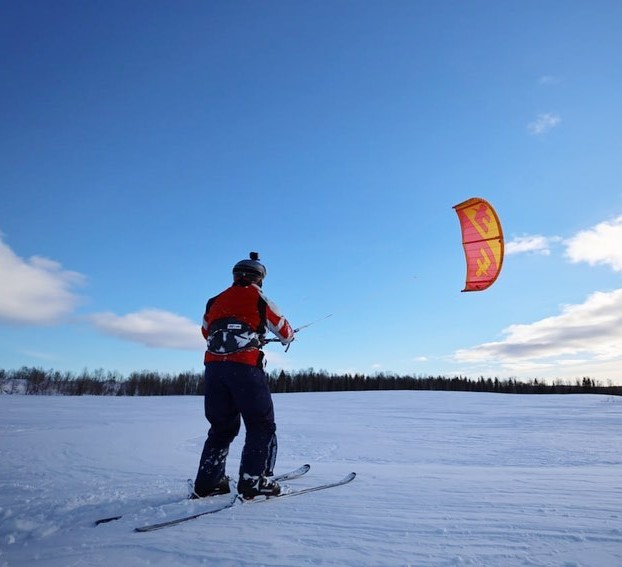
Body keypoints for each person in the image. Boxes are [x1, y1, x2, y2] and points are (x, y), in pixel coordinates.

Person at [193, 252, 295, 500]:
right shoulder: (260, 298)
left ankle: (209, 482)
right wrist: (288, 337)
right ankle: (254, 481)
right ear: (259, 278)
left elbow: (206, 332)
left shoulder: (215, 300)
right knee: (261, 424)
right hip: (246, 368)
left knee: (222, 427)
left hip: (214, 370)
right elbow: (284, 330)